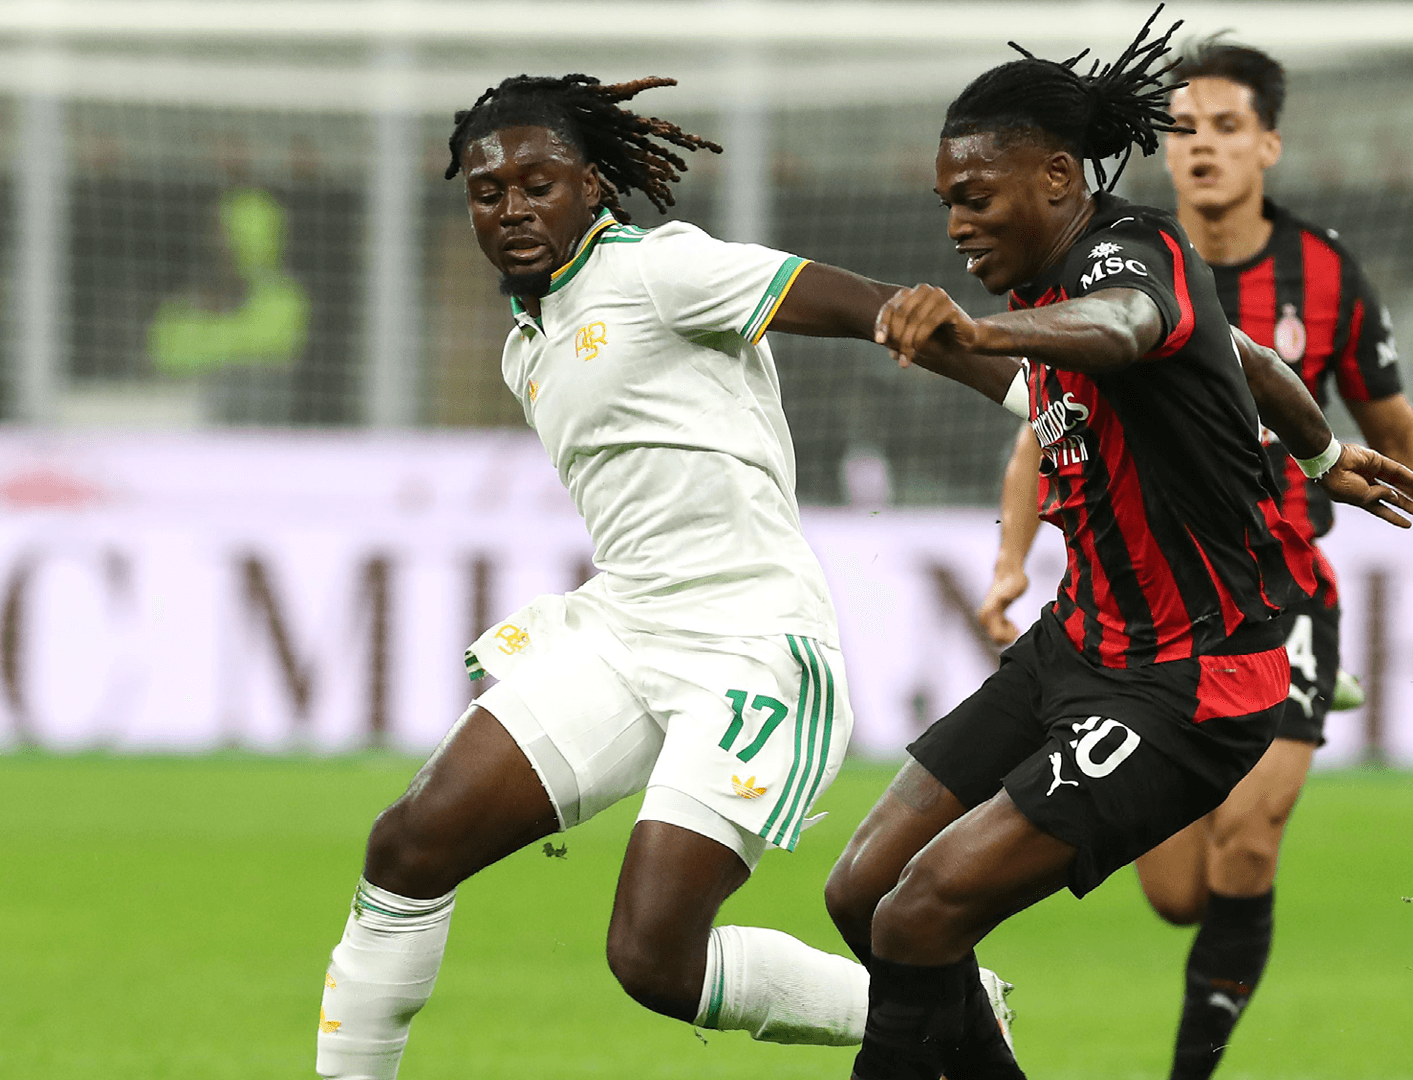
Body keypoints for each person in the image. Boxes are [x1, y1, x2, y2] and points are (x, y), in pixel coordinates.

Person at [313, 72, 1020, 1079]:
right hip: (626, 628)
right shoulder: (530, 343)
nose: (513, 209)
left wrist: (1041, 402)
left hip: (750, 645)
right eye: (488, 192)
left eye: (539, 184)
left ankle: (943, 1012)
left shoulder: (660, 270)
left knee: (652, 958)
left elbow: (878, 312)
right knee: (409, 845)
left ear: (592, 186)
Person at [819, 13, 1413, 1080]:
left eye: (976, 198)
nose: (957, 226)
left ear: (1059, 177)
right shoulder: (1046, 287)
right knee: (863, 893)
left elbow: (1125, 327)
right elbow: (1250, 360)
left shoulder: (1129, 254)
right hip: (1081, 646)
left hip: (1192, 684)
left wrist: (980, 330)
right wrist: (1323, 453)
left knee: (919, 914)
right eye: (947, 203)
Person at [974, 37, 1413, 1080]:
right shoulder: (1113, 261)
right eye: (1183, 129)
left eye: (1225, 126)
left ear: (1268, 145)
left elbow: (1388, 422)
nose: (1202, 146)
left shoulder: (1327, 274)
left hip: (1286, 586)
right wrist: (1009, 562)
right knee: (1179, 893)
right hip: (1159, 607)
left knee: (1250, 842)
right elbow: (1044, 425)